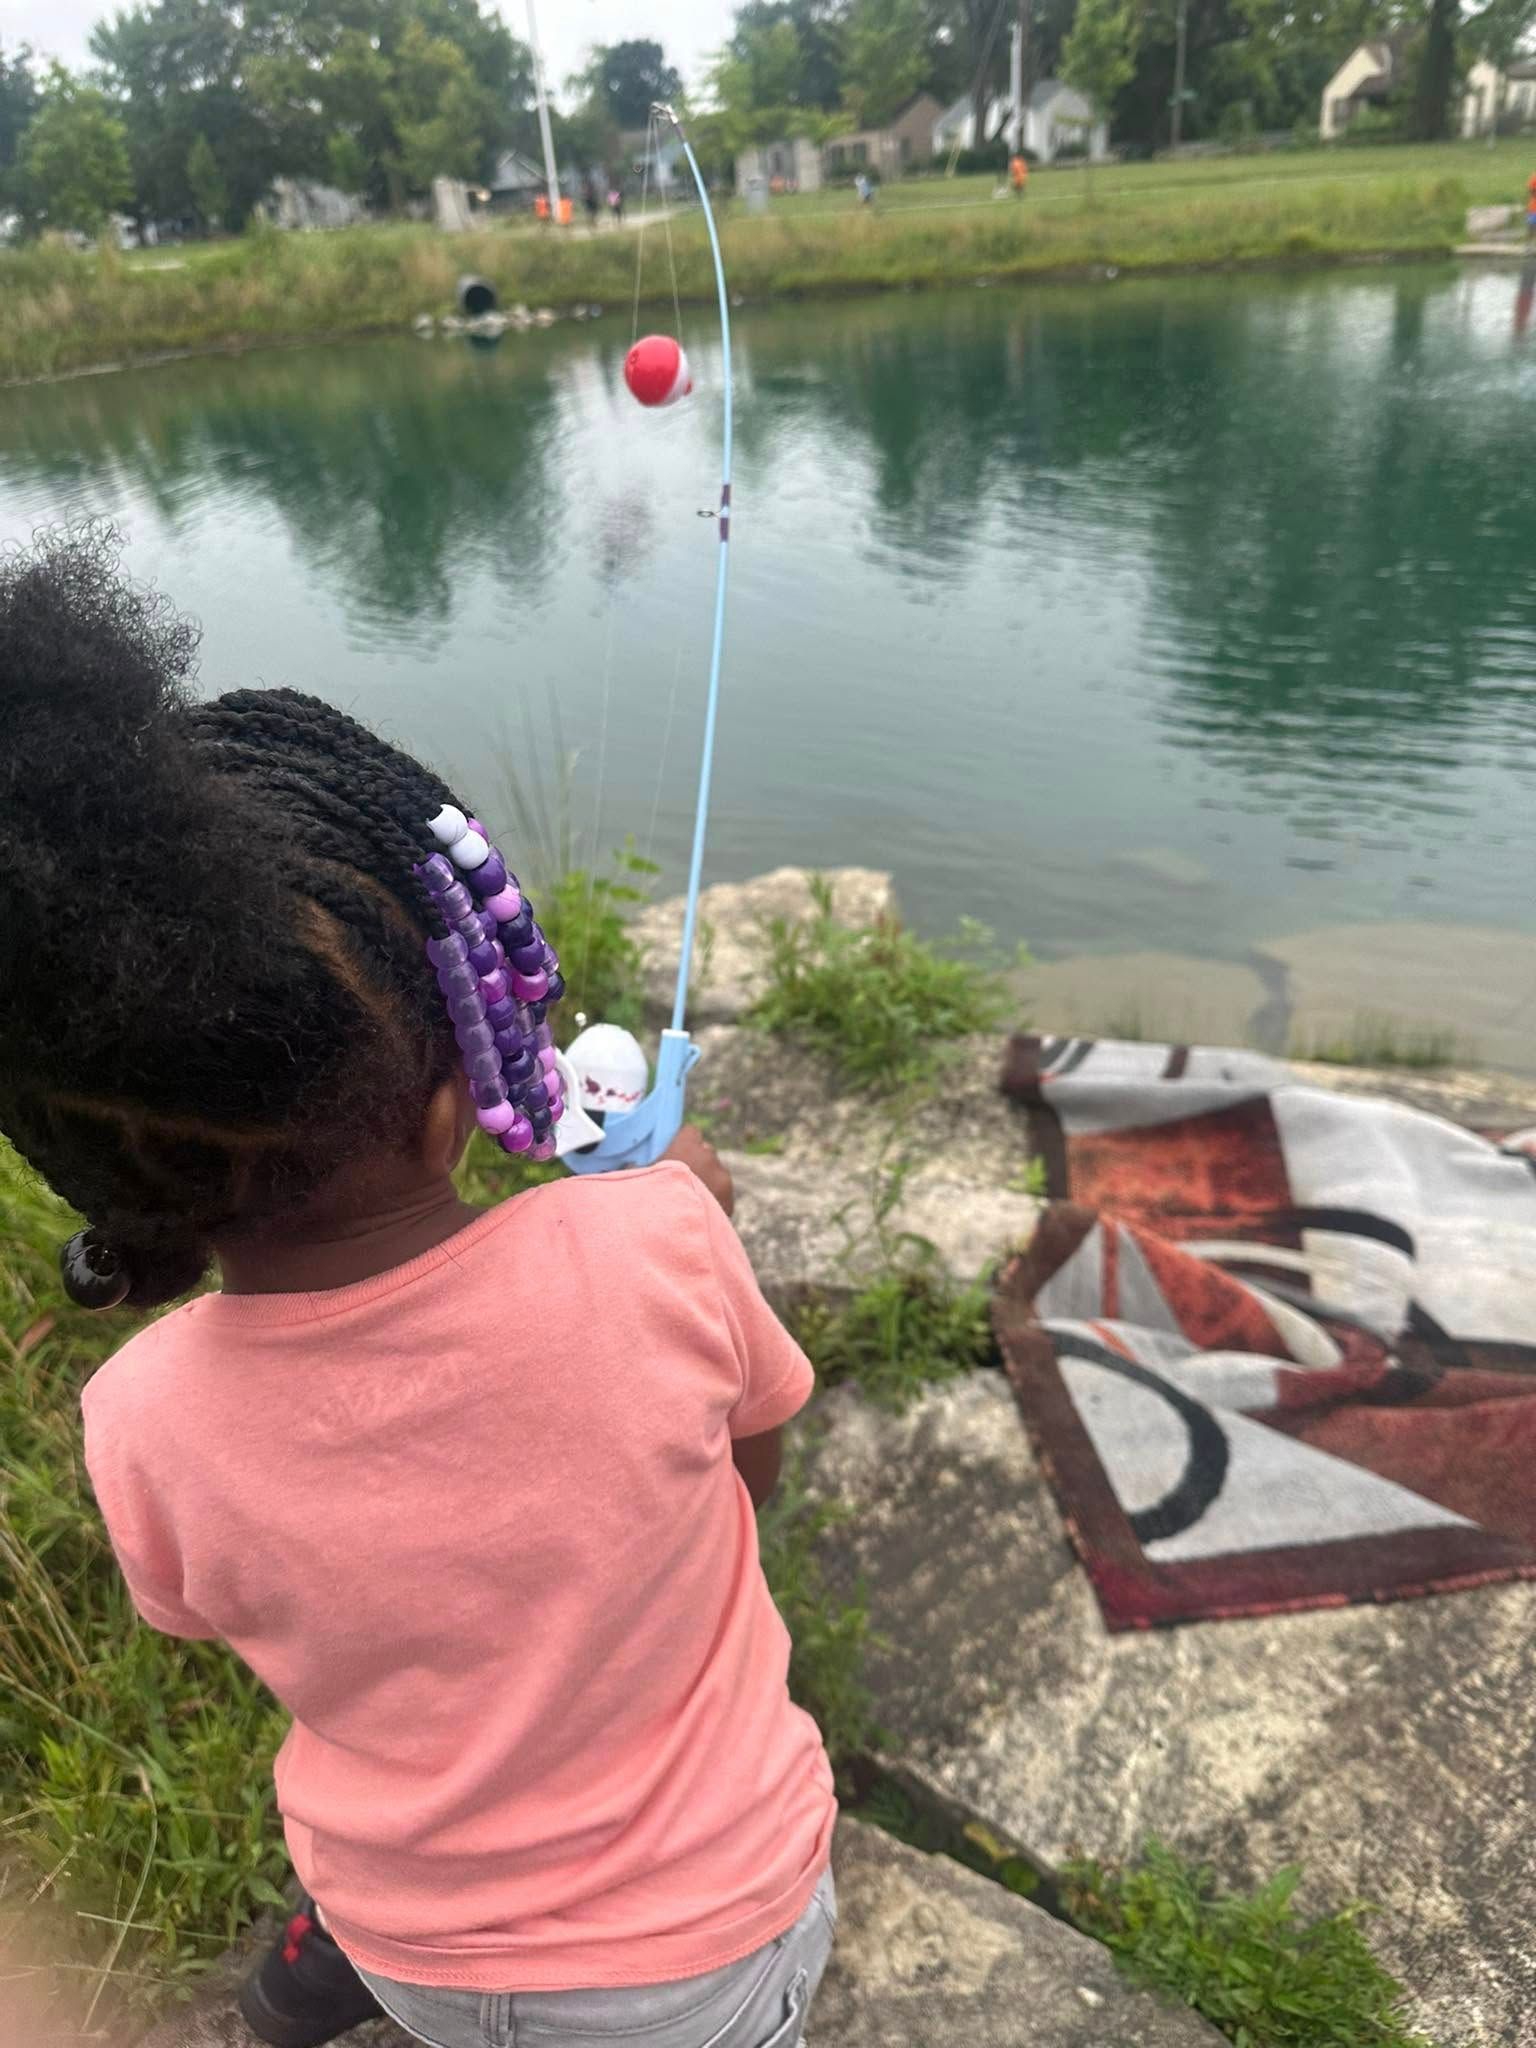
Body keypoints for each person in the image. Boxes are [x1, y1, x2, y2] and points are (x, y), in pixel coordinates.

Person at [0, 532, 837, 2048]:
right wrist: (680, 1216)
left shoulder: (135, 1422)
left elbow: (220, 1614)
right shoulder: (654, 1241)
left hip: (412, 1948)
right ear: (461, 1092)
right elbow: (749, 1467)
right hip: (710, 1949)